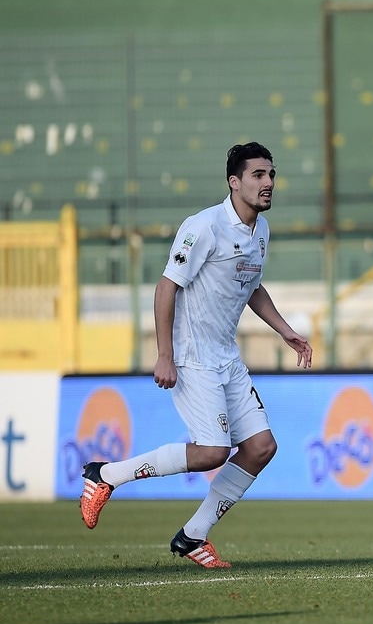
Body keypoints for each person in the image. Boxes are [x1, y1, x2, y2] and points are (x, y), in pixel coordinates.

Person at [79, 142, 313, 569]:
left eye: (272, 174)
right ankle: (106, 475)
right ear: (234, 182)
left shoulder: (261, 230)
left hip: (226, 357)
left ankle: (193, 536)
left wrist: (286, 332)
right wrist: (164, 354)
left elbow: (252, 286)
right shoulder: (204, 226)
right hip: (191, 356)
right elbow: (166, 286)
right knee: (211, 452)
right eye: (258, 175)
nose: (268, 183)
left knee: (261, 447)